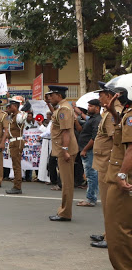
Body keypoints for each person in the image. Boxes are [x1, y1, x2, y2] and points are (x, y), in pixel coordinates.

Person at [100, 74, 132, 270]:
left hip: (122, 176)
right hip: (118, 173)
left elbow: (131, 148)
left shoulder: (131, 115)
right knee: (120, 225)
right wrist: (112, 110)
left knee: (117, 226)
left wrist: (122, 175)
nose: (115, 95)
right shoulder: (127, 114)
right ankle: (123, 268)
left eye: (119, 93)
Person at [90, 82, 123, 249]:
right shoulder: (109, 111)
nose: (98, 98)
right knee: (106, 203)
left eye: (101, 95)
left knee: (109, 204)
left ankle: (111, 237)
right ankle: (107, 233)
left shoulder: (112, 113)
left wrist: (113, 165)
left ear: (109, 96)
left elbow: (115, 140)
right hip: (104, 162)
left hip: (108, 163)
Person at [47, 85, 79, 222]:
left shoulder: (64, 109)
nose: (50, 98)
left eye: (51, 96)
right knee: (65, 182)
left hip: (65, 150)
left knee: (66, 183)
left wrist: (65, 150)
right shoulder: (61, 107)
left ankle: (65, 213)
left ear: (58, 96)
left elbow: (66, 131)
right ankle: (64, 210)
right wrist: (48, 103)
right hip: (63, 149)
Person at [75, 99, 102, 207]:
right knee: (91, 174)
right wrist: (75, 110)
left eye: (91, 106)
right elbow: (85, 117)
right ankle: (91, 197)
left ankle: (91, 199)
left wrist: (85, 149)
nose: (88, 108)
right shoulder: (92, 118)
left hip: (89, 151)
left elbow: (94, 137)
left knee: (91, 175)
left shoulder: (96, 120)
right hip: (86, 150)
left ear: (97, 107)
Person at [5, 97, 30, 194]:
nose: (8, 108)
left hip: (17, 142)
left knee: (16, 165)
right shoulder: (13, 115)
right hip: (13, 142)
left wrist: (22, 110)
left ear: (15, 106)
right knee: (15, 164)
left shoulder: (19, 116)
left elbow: (22, 117)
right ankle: (16, 185)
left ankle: (17, 186)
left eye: (10, 106)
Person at [24, 111, 39, 182]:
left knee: (33, 160)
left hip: (34, 146)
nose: (29, 118)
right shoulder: (24, 123)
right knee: (26, 161)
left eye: (30, 116)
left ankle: (32, 177)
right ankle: (26, 177)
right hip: (26, 145)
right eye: (28, 116)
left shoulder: (35, 123)